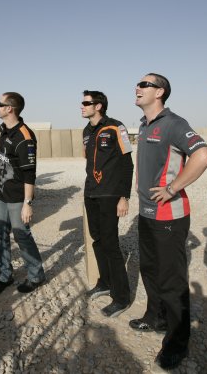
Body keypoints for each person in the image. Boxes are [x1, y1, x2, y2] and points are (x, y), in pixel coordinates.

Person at [133, 73, 207, 370]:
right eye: (137, 84)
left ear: (160, 92)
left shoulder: (174, 123)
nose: (137, 88)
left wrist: (172, 187)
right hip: (146, 213)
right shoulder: (144, 125)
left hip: (169, 216)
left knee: (172, 280)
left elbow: (203, 157)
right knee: (150, 270)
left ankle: (178, 343)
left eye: (144, 84)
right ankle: (155, 317)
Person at [81, 90, 134, 318]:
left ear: (99, 106)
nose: (81, 106)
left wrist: (124, 196)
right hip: (91, 193)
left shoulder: (116, 127)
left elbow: (127, 164)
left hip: (111, 194)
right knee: (97, 239)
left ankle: (121, 297)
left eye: (86, 103)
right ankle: (105, 282)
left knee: (111, 243)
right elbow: (88, 161)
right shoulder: (86, 131)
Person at [0, 92, 45, 295]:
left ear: (9, 108)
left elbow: (30, 174)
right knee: (0, 235)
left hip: (17, 199)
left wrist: (27, 203)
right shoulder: (3, 130)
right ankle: (5, 275)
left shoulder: (25, 137)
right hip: (0, 196)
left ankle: (36, 275)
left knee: (22, 236)